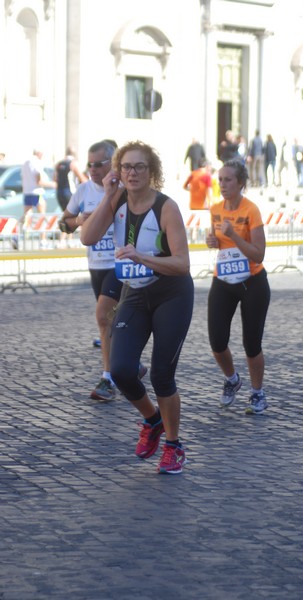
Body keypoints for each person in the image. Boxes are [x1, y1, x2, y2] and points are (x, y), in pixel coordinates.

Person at [80, 140, 194, 474]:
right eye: (126, 167)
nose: (131, 173)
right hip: (135, 294)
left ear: (151, 172)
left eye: (139, 167)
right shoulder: (115, 202)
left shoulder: (166, 207)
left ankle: (173, 445)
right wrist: (107, 195)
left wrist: (141, 256)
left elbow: (183, 264)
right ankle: (152, 420)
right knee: (120, 370)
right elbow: (88, 237)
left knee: (161, 374)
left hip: (171, 293)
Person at [59, 140, 133, 402]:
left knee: (103, 316)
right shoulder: (83, 191)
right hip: (96, 265)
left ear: (112, 164)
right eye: (89, 164)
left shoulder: (123, 190)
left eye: (99, 164)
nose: (92, 169)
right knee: (109, 323)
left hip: (119, 264)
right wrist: (79, 220)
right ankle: (129, 367)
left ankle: (108, 380)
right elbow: (63, 224)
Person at [206, 159, 270, 414]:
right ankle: (232, 380)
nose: (222, 184)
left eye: (228, 179)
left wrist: (233, 235)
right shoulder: (215, 209)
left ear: (241, 183)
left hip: (252, 282)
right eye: (220, 179)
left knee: (251, 344)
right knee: (216, 341)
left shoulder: (251, 210)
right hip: (223, 279)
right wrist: (212, 240)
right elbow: (217, 241)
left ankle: (257, 393)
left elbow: (258, 254)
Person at [54, 146, 87, 212]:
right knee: (73, 213)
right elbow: (82, 179)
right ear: (74, 154)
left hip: (59, 192)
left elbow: (55, 178)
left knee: (65, 213)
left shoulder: (58, 164)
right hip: (69, 192)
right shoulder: (72, 163)